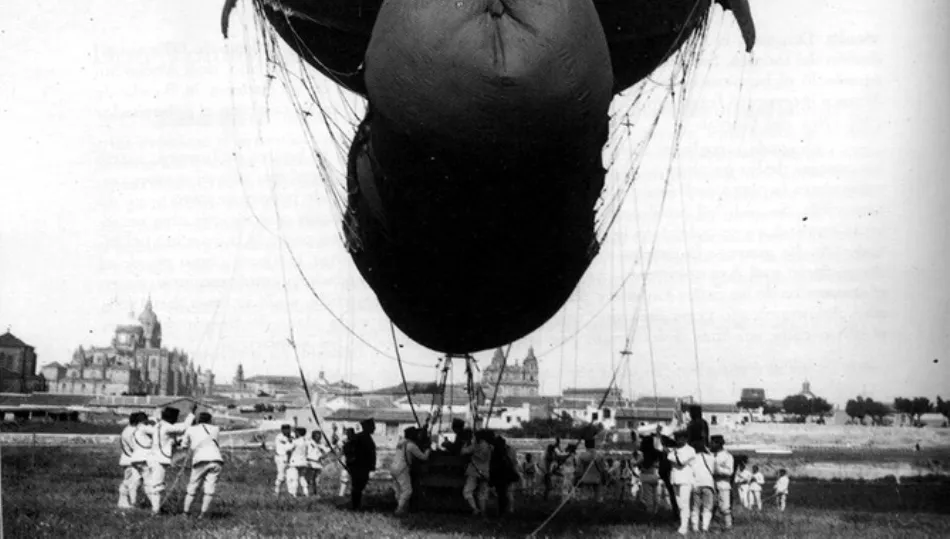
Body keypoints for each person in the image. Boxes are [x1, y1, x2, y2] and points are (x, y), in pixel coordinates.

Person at [142, 404, 196, 514]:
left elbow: (169, 439)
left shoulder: (158, 426)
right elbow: (184, 427)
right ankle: (155, 510)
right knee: (157, 485)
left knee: (153, 483)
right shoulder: (166, 427)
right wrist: (191, 413)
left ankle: (155, 508)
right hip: (159, 459)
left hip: (152, 458)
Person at [181, 411, 224, 517]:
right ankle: (203, 514)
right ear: (210, 420)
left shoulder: (191, 429)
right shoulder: (216, 429)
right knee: (210, 488)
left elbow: (184, 445)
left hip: (200, 459)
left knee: (193, 487)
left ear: (198, 420)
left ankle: (186, 512)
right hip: (216, 459)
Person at [390, 426, 430, 515]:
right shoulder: (411, 445)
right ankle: (399, 510)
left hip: (393, 467)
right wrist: (428, 449)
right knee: (408, 491)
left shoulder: (401, 442)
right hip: (402, 469)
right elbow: (424, 457)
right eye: (416, 434)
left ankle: (402, 508)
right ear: (412, 435)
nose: (418, 435)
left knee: (399, 490)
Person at [666, 430, 696, 536]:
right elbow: (669, 457)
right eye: (677, 438)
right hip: (675, 479)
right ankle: (684, 523)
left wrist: (672, 454)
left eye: (681, 438)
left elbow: (681, 462)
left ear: (686, 439)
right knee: (679, 504)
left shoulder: (690, 450)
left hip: (686, 479)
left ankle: (684, 526)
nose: (679, 440)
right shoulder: (674, 450)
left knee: (684, 503)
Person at [117, 412, 148, 509]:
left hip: (128, 459)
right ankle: (128, 502)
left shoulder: (128, 430)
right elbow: (136, 446)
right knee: (131, 482)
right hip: (130, 460)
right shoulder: (131, 432)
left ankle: (127, 501)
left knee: (131, 481)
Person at [461, 429, 493, 515]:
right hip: (485, 472)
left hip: (473, 472)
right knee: (482, 493)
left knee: (467, 491)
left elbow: (463, 451)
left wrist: (465, 444)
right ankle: (483, 512)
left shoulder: (475, 446)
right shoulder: (490, 447)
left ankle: (475, 509)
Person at [489, 433, 520, 515]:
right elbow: (512, 462)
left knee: (501, 494)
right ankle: (506, 509)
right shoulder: (506, 451)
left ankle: (502, 510)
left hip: (499, 475)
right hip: (506, 475)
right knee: (506, 493)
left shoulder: (496, 452)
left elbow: (493, 464)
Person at [350, 419, 377, 510]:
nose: (374, 428)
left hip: (361, 466)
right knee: (358, 487)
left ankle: (356, 505)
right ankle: (355, 506)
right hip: (360, 466)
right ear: (367, 427)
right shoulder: (361, 437)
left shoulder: (363, 437)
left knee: (358, 486)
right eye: (373, 426)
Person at [690, 442, 716, 533]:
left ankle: (695, 528)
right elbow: (713, 470)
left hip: (696, 484)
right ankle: (705, 527)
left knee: (695, 507)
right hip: (708, 484)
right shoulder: (711, 458)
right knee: (707, 507)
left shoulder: (692, 458)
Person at [709, 435, 734, 530]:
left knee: (724, 507)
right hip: (710, 484)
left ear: (718, 444)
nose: (710, 445)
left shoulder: (727, 456)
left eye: (712, 443)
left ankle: (728, 526)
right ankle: (708, 526)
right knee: (709, 506)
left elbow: (730, 471)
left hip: (723, 484)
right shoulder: (709, 455)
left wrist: (718, 470)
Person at [575, 437, 608, 503]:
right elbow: (603, 468)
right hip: (597, 478)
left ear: (585, 445)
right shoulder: (600, 455)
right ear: (594, 445)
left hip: (585, 478)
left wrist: (577, 478)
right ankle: (598, 508)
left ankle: (586, 508)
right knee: (598, 498)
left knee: (585, 498)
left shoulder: (582, 456)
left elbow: (579, 469)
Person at [287, 427, 310, 497]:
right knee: (302, 477)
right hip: (304, 461)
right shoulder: (306, 441)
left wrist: (289, 441)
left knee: (294, 478)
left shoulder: (295, 442)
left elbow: (288, 449)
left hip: (295, 461)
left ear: (298, 433)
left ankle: (294, 493)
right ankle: (306, 492)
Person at [273, 424, 295, 496]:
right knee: (281, 475)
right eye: (285, 430)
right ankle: (276, 491)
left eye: (289, 429)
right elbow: (288, 447)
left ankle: (291, 492)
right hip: (281, 457)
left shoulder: (292, 435)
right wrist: (290, 440)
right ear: (282, 430)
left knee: (290, 475)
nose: (287, 431)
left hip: (290, 457)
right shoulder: (279, 437)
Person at [305, 430, 328, 497]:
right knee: (310, 479)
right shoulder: (308, 443)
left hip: (318, 464)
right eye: (317, 436)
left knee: (317, 480)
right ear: (313, 436)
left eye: (320, 436)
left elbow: (327, 451)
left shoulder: (321, 444)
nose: (319, 437)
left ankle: (316, 493)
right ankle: (308, 493)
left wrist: (323, 456)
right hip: (310, 463)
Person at [338, 427, 356, 497]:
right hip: (347, 464)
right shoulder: (346, 443)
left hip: (353, 464)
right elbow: (342, 452)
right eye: (347, 434)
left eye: (349, 433)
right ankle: (341, 495)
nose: (348, 435)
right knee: (344, 479)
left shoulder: (356, 443)